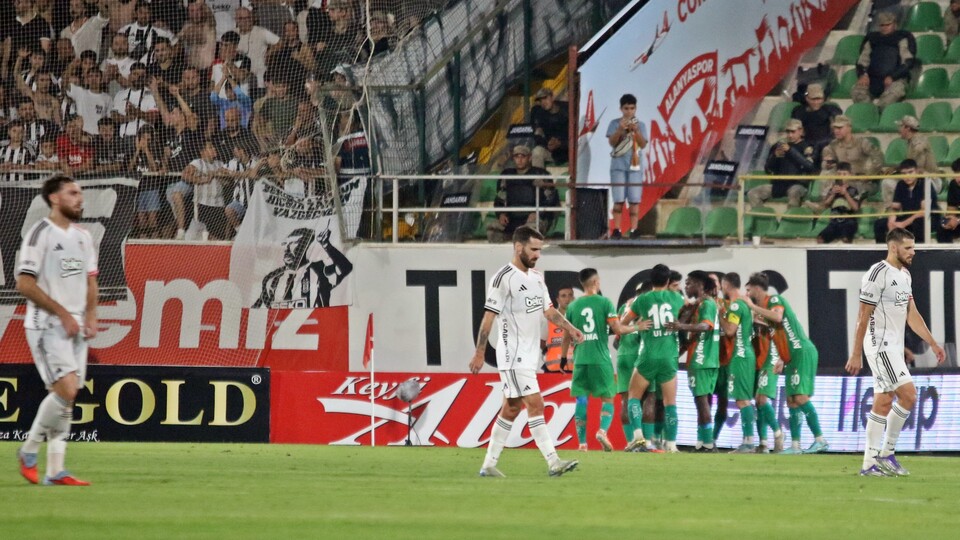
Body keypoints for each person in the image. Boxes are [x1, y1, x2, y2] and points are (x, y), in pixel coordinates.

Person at [469, 226, 582, 478]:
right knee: (536, 404)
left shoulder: (537, 277)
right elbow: (489, 318)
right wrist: (480, 352)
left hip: (530, 356)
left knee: (510, 408)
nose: (537, 255)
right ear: (518, 247)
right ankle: (553, 462)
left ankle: (488, 464)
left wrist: (571, 328)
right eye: (533, 249)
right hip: (512, 354)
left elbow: (549, 311)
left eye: (540, 250)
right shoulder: (503, 278)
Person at [16, 174, 98, 486]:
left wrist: (90, 314)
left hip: (76, 325)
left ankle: (55, 470)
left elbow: (91, 280)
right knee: (67, 390)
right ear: (54, 198)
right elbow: (24, 283)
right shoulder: (39, 234)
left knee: (65, 398)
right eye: (73, 193)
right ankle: (29, 450)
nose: (80, 198)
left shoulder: (83, 236)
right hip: (47, 325)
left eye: (80, 193)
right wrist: (62, 312)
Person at [846, 228, 946, 476]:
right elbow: (862, 316)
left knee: (882, 402)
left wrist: (932, 342)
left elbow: (912, 315)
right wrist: (855, 353)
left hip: (893, 347)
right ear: (893, 247)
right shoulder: (877, 273)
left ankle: (870, 463)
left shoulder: (905, 275)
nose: (913, 252)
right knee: (909, 395)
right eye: (908, 247)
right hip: (880, 345)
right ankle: (885, 454)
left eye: (913, 247)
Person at [745, 272, 828, 454]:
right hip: (791, 355)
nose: (747, 294)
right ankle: (796, 446)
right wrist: (782, 357)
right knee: (791, 401)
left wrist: (752, 307)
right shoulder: (766, 310)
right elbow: (781, 332)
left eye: (749, 289)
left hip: (801, 352)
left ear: (757, 289)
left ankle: (820, 439)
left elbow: (778, 318)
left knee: (799, 397)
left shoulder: (773, 300)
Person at [560, 268, 638, 452]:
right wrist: (637, 327)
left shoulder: (572, 306)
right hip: (600, 358)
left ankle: (582, 443)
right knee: (608, 398)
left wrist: (564, 357)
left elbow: (566, 335)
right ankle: (602, 431)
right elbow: (617, 329)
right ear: (596, 282)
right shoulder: (604, 303)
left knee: (581, 399)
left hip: (580, 359)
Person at [620, 263, 684, 453]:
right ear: (668, 281)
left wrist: (637, 326)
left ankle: (638, 436)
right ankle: (671, 445)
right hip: (669, 355)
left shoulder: (642, 300)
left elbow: (622, 324)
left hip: (647, 355)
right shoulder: (676, 298)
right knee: (670, 402)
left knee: (633, 397)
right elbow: (689, 310)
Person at [664, 271, 719, 451]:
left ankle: (708, 444)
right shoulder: (701, 305)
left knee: (701, 401)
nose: (686, 287)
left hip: (701, 359)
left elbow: (705, 326)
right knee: (703, 401)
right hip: (707, 359)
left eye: (689, 283)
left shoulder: (706, 304)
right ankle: (703, 441)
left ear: (700, 285)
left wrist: (681, 326)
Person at [254, 226, 353, 308]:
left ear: (306, 246)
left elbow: (346, 268)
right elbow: (257, 310)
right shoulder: (271, 278)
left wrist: (327, 245)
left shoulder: (319, 269)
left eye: (293, 244)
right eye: (285, 244)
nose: (286, 249)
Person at [718, 273, 757, 453]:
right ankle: (748, 440)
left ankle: (748, 442)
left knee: (742, 400)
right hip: (745, 354)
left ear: (726, 285)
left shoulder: (735, 305)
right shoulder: (744, 304)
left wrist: (720, 315)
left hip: (740, 356)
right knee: (744, 400)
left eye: (721, 285)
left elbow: (730, 331)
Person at [487, 144, 557, 242]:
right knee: (493, 228)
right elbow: (500, 198)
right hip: (512, 219)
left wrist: (537, 213)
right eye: (517, 156)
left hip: (534, 218)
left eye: (523, 156)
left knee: (530, 231)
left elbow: (551, 199)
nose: (519, 160)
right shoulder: (507, 175)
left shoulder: (541, 174)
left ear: (529, 157)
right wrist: (501, 214)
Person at [852, 11, 917, 108]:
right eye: (882, 25)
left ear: (894, 24)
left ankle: (881, 115)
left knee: (891, 97)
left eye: (888, 25)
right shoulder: (872, 38)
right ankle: (869, 114)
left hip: (896, 80)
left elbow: (908, 61)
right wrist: (863, 74)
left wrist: (893, 76)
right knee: (857, 92)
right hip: (872, 79)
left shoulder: (902, 37)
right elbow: (862, 60)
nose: (885, 27)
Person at [606, 93, 647, 239]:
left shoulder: (640, 125)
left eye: (632, 108)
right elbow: (612, 142)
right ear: (621, 109)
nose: (629, 111)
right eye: (626, 108)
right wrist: (620, 130)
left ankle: (634, 229)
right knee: (618, 199)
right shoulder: (614, 123)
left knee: (634, 200)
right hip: (618, 166)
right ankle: (616, 229)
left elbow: (643, 144)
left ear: (635, 109)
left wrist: (636, 131)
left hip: (635, 166)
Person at [614, 281, 650, 445]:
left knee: (627, 401)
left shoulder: (624, 307)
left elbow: (616, 339)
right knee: (649, 398)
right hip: (641, 355)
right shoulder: (647, 305)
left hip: (623, 355)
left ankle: (631, 442)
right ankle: (648, 441)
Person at [750, 119, 816, 208]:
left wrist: (791, 151)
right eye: (788, 132)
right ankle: (763, 219)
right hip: (779, 184)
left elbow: (810, 167)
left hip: (797, 184)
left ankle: (790, 220)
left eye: (793, 132)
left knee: (794, 192)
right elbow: (768, 169)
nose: (790, 135)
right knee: (753, 193)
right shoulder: (779, 146)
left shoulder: (807, 146)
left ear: (800, 131)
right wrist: (775, 156)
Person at [874, 159, 939, 243]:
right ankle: (885, 252)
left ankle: (920, 252)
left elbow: (923, 211)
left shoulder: (925, 184)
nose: (907, 176)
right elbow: (895, 207)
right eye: (904, 173)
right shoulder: (900, 185)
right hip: (908, 217)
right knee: (879, 224)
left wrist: (903, 224)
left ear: (917, 171)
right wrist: (891, 221)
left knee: (918, 223)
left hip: (928, 218)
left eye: (910, 172)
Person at [820, 115, 884, 199]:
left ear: (849, 128)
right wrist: (827, 164)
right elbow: (825, 163)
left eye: (840, 128)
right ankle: (824, 203)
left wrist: (869, 175)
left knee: (850, 188)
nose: (836, 131)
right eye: (835, 128)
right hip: (842, 181)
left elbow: (879, 157)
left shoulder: (861, 143)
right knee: (826, 174)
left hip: (862, 182)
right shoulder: (833, 145)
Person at [882, 116, 940, 206]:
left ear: (907, 128)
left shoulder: (919, 140)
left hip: (930, 181)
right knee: (889, 182)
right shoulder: (910, 142)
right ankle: (896, 212)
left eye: (900, 126)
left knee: (888, 183)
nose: (899, 130)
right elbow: (910, 164)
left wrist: (897, 171)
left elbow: (916, 166)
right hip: (918, 181)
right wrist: (895, 169)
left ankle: (898, 212)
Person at [752, 299, 784, 453]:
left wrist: (782, 358)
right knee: (758, 402)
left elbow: (780, 329)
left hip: (772, 359)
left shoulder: (775, 314)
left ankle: (778, 434)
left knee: (762, 399)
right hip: (760, 362)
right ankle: (763, 443)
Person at [183, 140, 227, 240]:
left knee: (217, 236)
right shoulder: (197, 163)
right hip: (202, 204)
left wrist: (219, 175)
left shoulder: (220, 164)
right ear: (202, 152)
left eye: (213, 147)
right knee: (200, 234)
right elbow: (185, 176)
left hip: (219, 204)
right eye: (210, 147)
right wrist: (204, 180)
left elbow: (227, 183)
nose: (214, 149)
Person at [234, 7, 280, 91]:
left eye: (247, 18)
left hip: (259, 81)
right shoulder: (233, 34)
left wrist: (270, 52)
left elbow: (280, 42)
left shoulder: (261, 32)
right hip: (239, 81)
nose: (244, 21)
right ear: (236, 19)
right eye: (241, 18)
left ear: (251, 18)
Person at [790, 83, 841, 156]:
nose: (816, 102)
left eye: (819, 99)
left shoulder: (830, 109)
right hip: (806, 145)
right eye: (813, 99)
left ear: (823, 99)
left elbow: (838, 124)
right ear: (807, 98)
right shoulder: (799, 111)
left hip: (826, 144)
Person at [817, 162, 861, 244]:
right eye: (839, 174)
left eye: (844, 174)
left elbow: (855, 208)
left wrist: (846, 194)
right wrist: (833, 193)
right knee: (820, 239)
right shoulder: (833, 189)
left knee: (845, 239)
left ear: (850, 175)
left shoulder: (853, 190)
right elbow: (826, 205)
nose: (841, 176)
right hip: (834, 221)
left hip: (849, 221)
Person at [530, 88, 568, 168]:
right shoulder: (540, 114)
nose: (543, 102)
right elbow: (537, 136)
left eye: (545, 98)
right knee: (537, 151)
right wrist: (548, 144)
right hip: (552, 152)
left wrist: (561, 143)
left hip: (569, 150)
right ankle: (538, 180)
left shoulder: (567, 108)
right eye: (540, 100)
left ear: (552, 97)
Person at [541, 285, 574, 373]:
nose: (567, 298)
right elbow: (542, 342)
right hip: (553, 368)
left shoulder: (579, 318)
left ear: (574, 297)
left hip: (575, 369)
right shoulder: (549, 319)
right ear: (558, 299)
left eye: (570, 295)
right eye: (563, 296)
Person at [939, 159, 960, 244]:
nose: (957, 178)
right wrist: (950, 220)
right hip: (958, 219)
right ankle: (945, 255)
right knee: (942, 228)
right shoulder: (953, 184)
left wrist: (958, 220)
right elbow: (951, 208)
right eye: (956, 174)